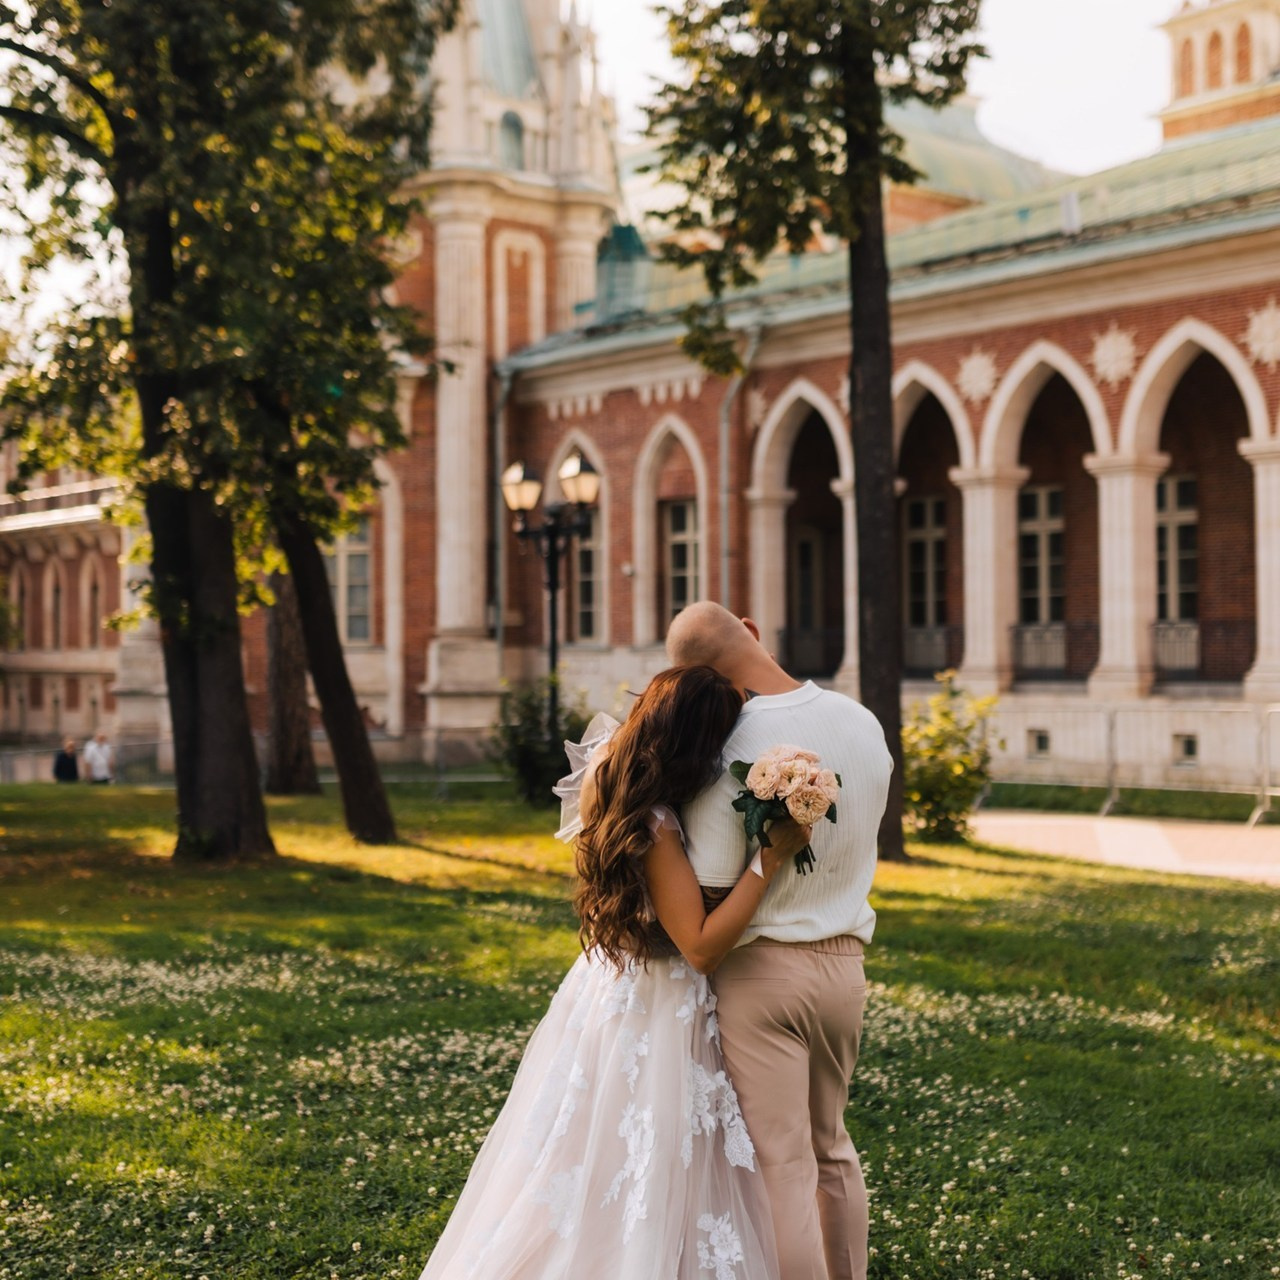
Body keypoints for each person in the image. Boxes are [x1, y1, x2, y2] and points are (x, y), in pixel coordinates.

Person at [418, 665, 814, 1280]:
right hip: (659, 999)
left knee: (592, 1148)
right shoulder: (654, 825)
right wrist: (768, 859)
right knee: (648, 1160)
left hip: (604, 986)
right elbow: (702, 948)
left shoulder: (608, 776)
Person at [666, 601, 893, 1280]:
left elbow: (708, 886)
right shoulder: (861, 720)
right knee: (833, 1151)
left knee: (785, 1167)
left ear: (694, 684)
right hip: (846, 968)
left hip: (761, 975)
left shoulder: (726, 745)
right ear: (754, 633)